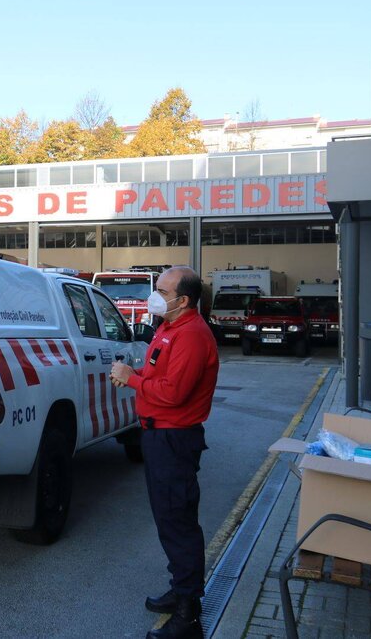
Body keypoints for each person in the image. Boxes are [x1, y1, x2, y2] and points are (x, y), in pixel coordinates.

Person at [110, 266, 219, 639]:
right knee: (169, 518)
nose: (154, 296)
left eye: (162, 290)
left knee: (178, 521)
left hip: (174, 440)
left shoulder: (191, 335)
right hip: (158, 438)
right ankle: (180, 589)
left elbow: (174, 393)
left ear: (183, 300)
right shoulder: (169, 329)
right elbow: (159, 376)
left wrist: (131, 378)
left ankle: (188, 612)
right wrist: (136, 374)